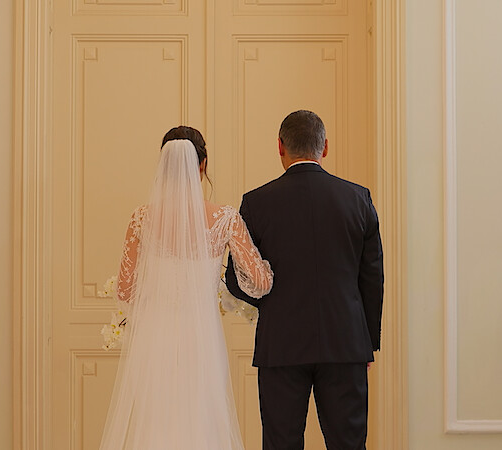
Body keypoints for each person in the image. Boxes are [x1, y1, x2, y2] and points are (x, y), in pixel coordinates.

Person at [99, 126, 274, 450]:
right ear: (203, 164)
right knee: (201, 427)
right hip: (202, 339)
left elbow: (125, 291)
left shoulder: (142, 218)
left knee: (155, 428)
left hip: (155, 340)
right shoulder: (224, 218)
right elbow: (259, 283)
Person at [225, 110, 384, 450]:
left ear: (279, 147)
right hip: (346, 344)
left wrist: (269, 303)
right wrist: (367, 341)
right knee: (349, 444)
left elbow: (235, 278)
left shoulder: (256, 203)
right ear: (324, 147)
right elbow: (372, 277)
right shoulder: (359, 199)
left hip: (280, 345)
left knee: (281, 444)